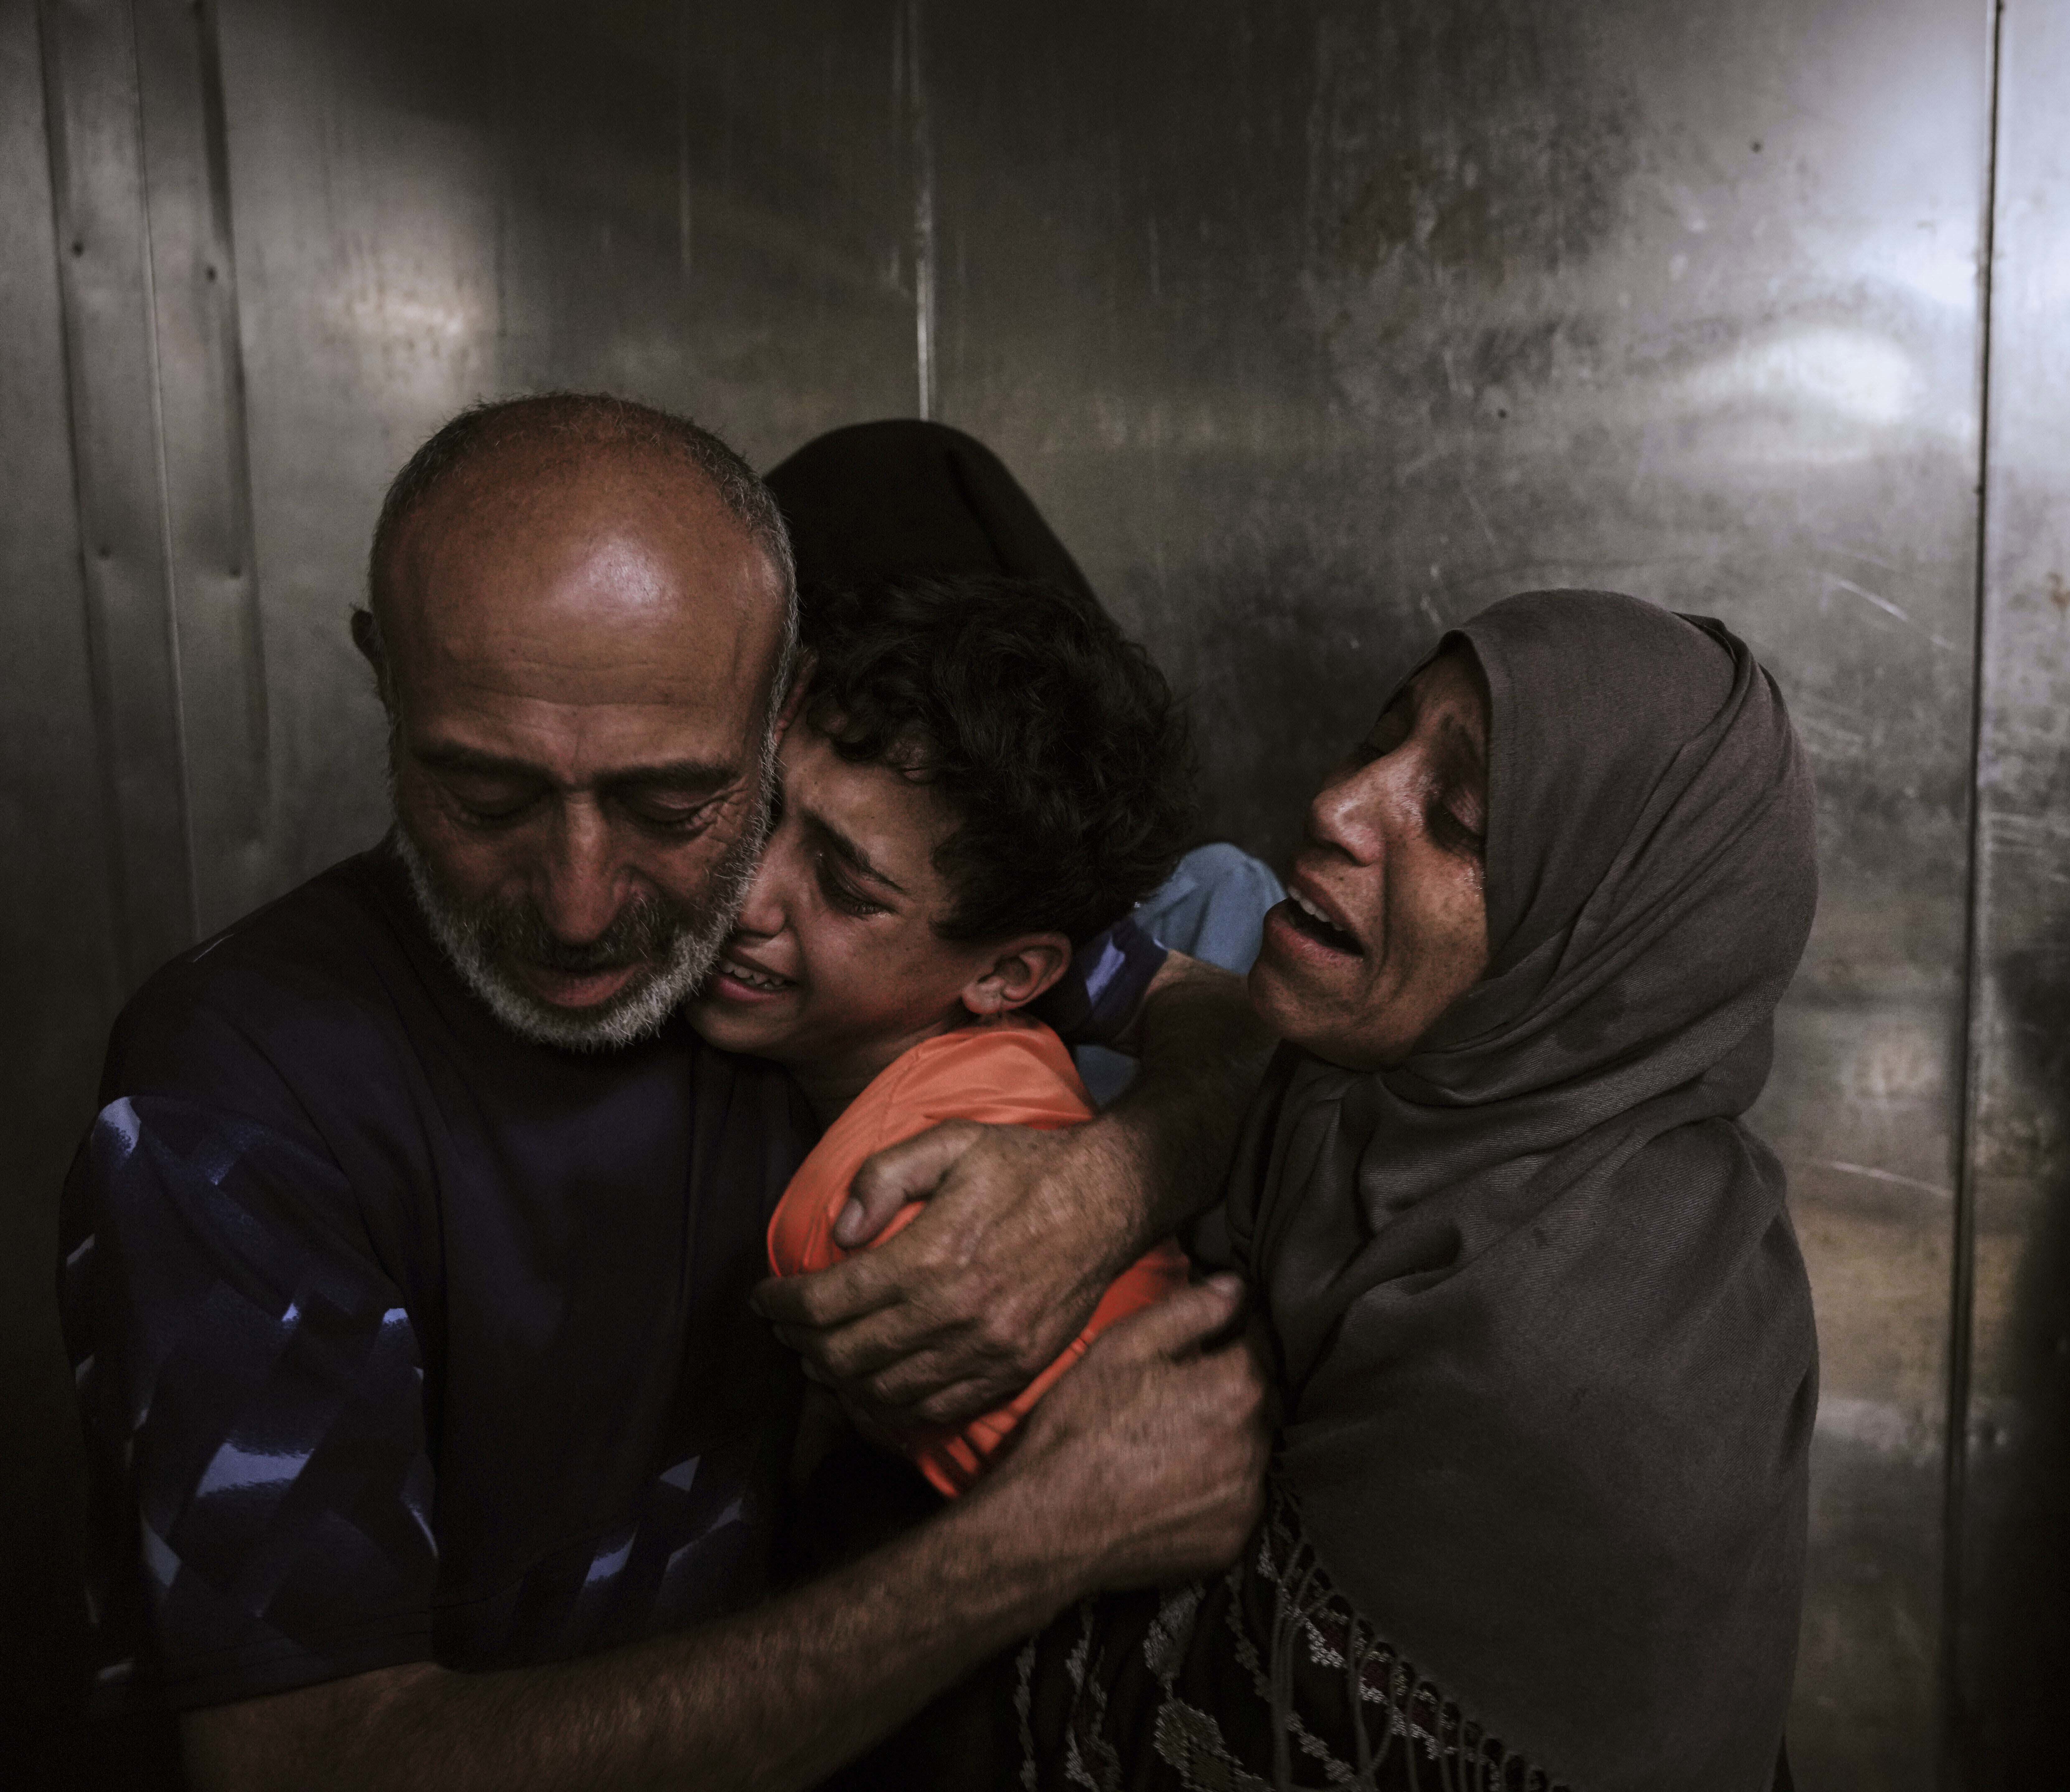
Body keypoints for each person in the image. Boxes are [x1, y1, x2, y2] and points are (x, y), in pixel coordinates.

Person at [58, 393, 1271, 1791]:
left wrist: (1095, 1193)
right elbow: (308, 1766)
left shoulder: (805, 950)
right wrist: (1030, 1544)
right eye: (487, 797)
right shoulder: (236, 1090)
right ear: (385, 682)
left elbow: (1218, 1017)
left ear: (782, 710)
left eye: (674, 804)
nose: (582, 909)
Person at [884, 588, 1824, 1791]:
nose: (1337, 807)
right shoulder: (1388, 1099)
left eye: (1462, 820)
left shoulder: (1564, 1360)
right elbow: (1199, 1016)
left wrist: (1022, 1535)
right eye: (1380, 738)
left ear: (1591, 944)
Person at [691, 570, 1201, 1500]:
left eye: (846, 891)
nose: (747, 896)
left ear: (1007, 977)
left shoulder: (885, 1213)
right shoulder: (1007, 1053)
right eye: (760, 814)